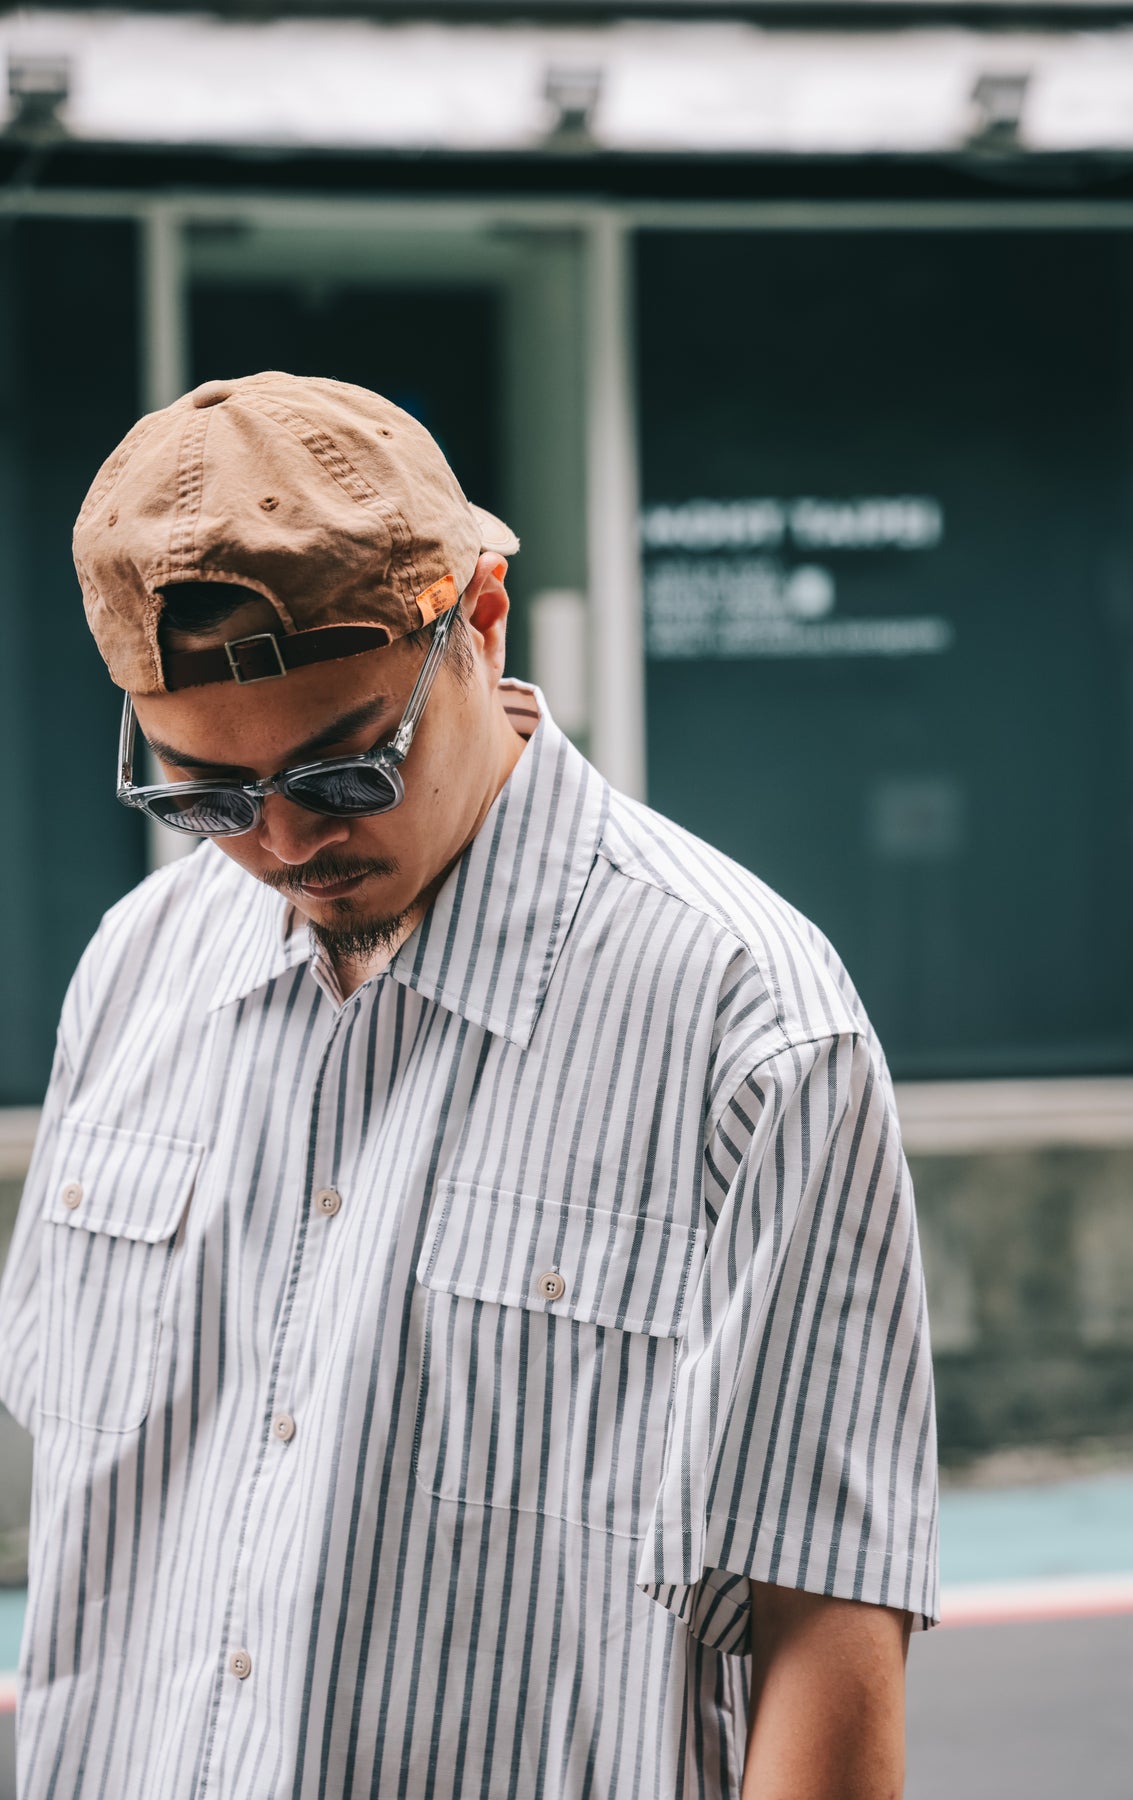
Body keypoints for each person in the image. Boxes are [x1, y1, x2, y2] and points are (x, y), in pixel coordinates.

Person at [0, 370, 938, 1799]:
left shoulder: (750, 1026)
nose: (283, 843)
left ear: (480, 618)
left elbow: (825, 1608)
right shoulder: (136, 968)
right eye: (204, 793)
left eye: (345, 771)